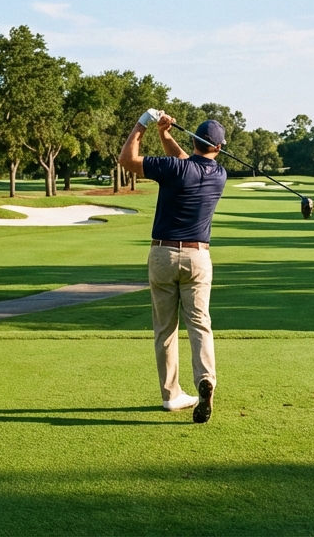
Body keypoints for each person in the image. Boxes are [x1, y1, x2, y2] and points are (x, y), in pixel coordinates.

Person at [118, 110, 227, 423]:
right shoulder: (219, 174)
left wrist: (143, 122)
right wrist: (166, 134)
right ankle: (206, 379)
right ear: (218, 148)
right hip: (198, 258)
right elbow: (188, 162)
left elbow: (128, 160)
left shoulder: (174, 169)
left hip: (163, 256)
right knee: (199, 323)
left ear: (193, 139)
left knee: (165, 329)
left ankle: (171, 395)